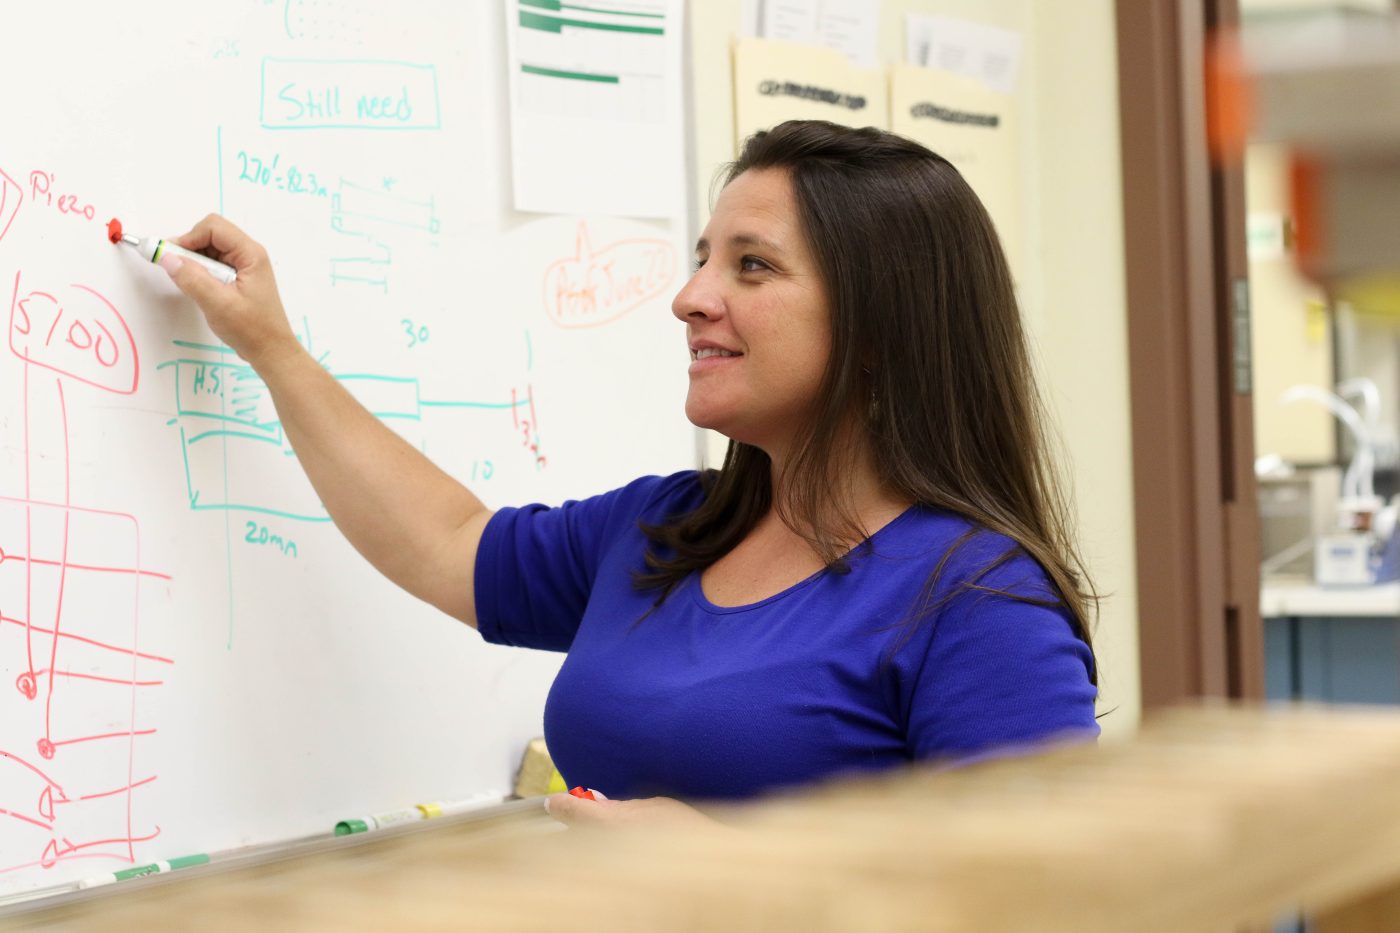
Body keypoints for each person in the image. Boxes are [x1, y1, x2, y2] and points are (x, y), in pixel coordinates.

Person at [161, 120, 1099, 828]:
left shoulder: (977, 600)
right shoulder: (668, 528)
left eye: (753, 266)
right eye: (702, 261)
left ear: (882, 322)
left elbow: (1036, 901)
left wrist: (729, 875)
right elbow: (445, 542)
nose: (692, 297)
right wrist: (272, 348)